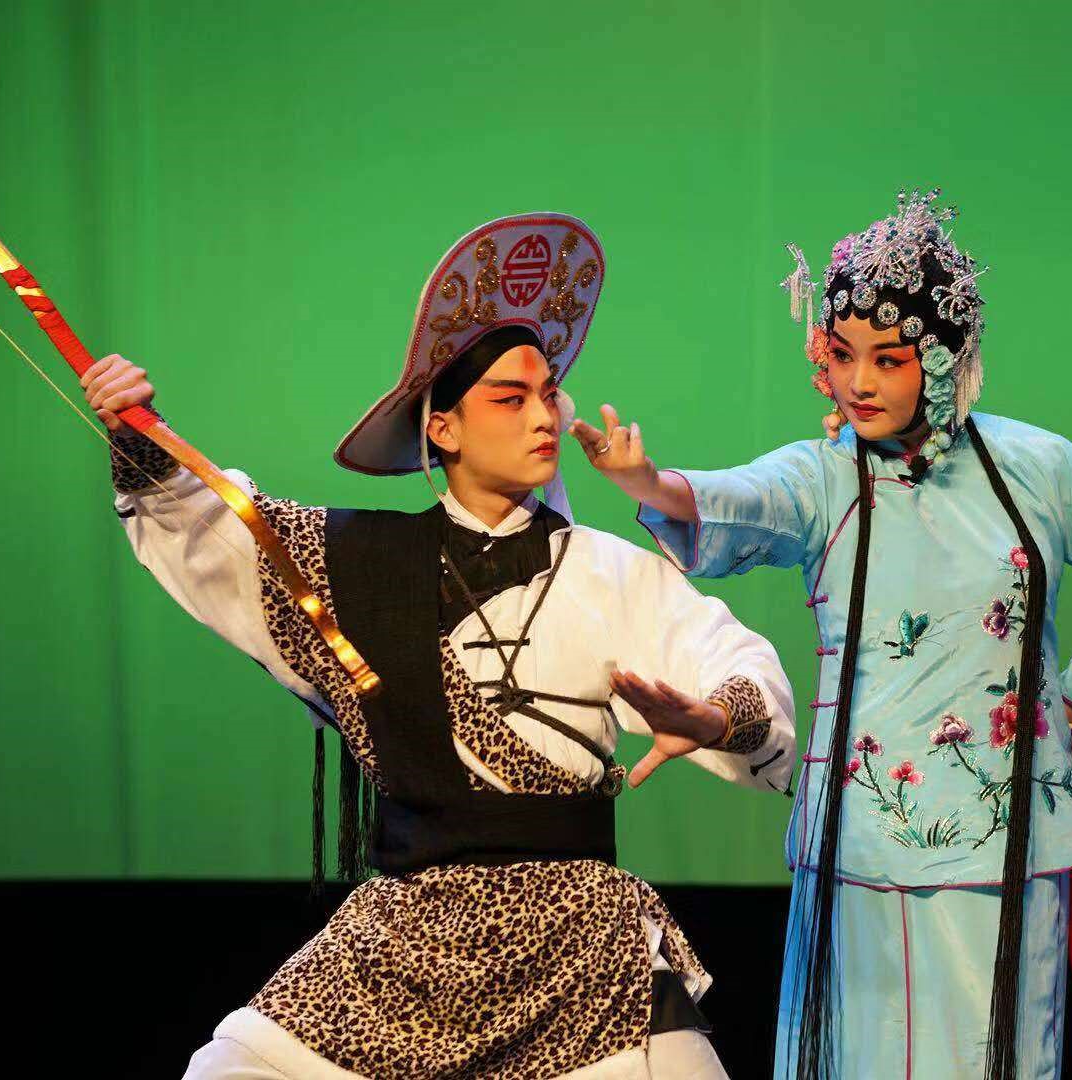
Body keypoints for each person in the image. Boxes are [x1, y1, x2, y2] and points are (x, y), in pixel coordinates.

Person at [86, 213, 797, 1078]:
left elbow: (738, 664)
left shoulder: (608, 570)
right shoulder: (350, 562)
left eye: (548, 395)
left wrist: (714, 719)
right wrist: (138, 430)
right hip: (404, 940)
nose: (543, 415)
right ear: (444, 430)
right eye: (510, 398)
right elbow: (219, 530)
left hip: (581, 939)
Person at [572, 190, 1072, 1079]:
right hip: (858, 840)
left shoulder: (1038, 469)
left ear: (940, 360)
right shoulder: (826, 478)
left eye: (889, 359)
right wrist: (648, 482)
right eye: (842, 355)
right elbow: (736, 498)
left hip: (1005, 839)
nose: (860, 382)